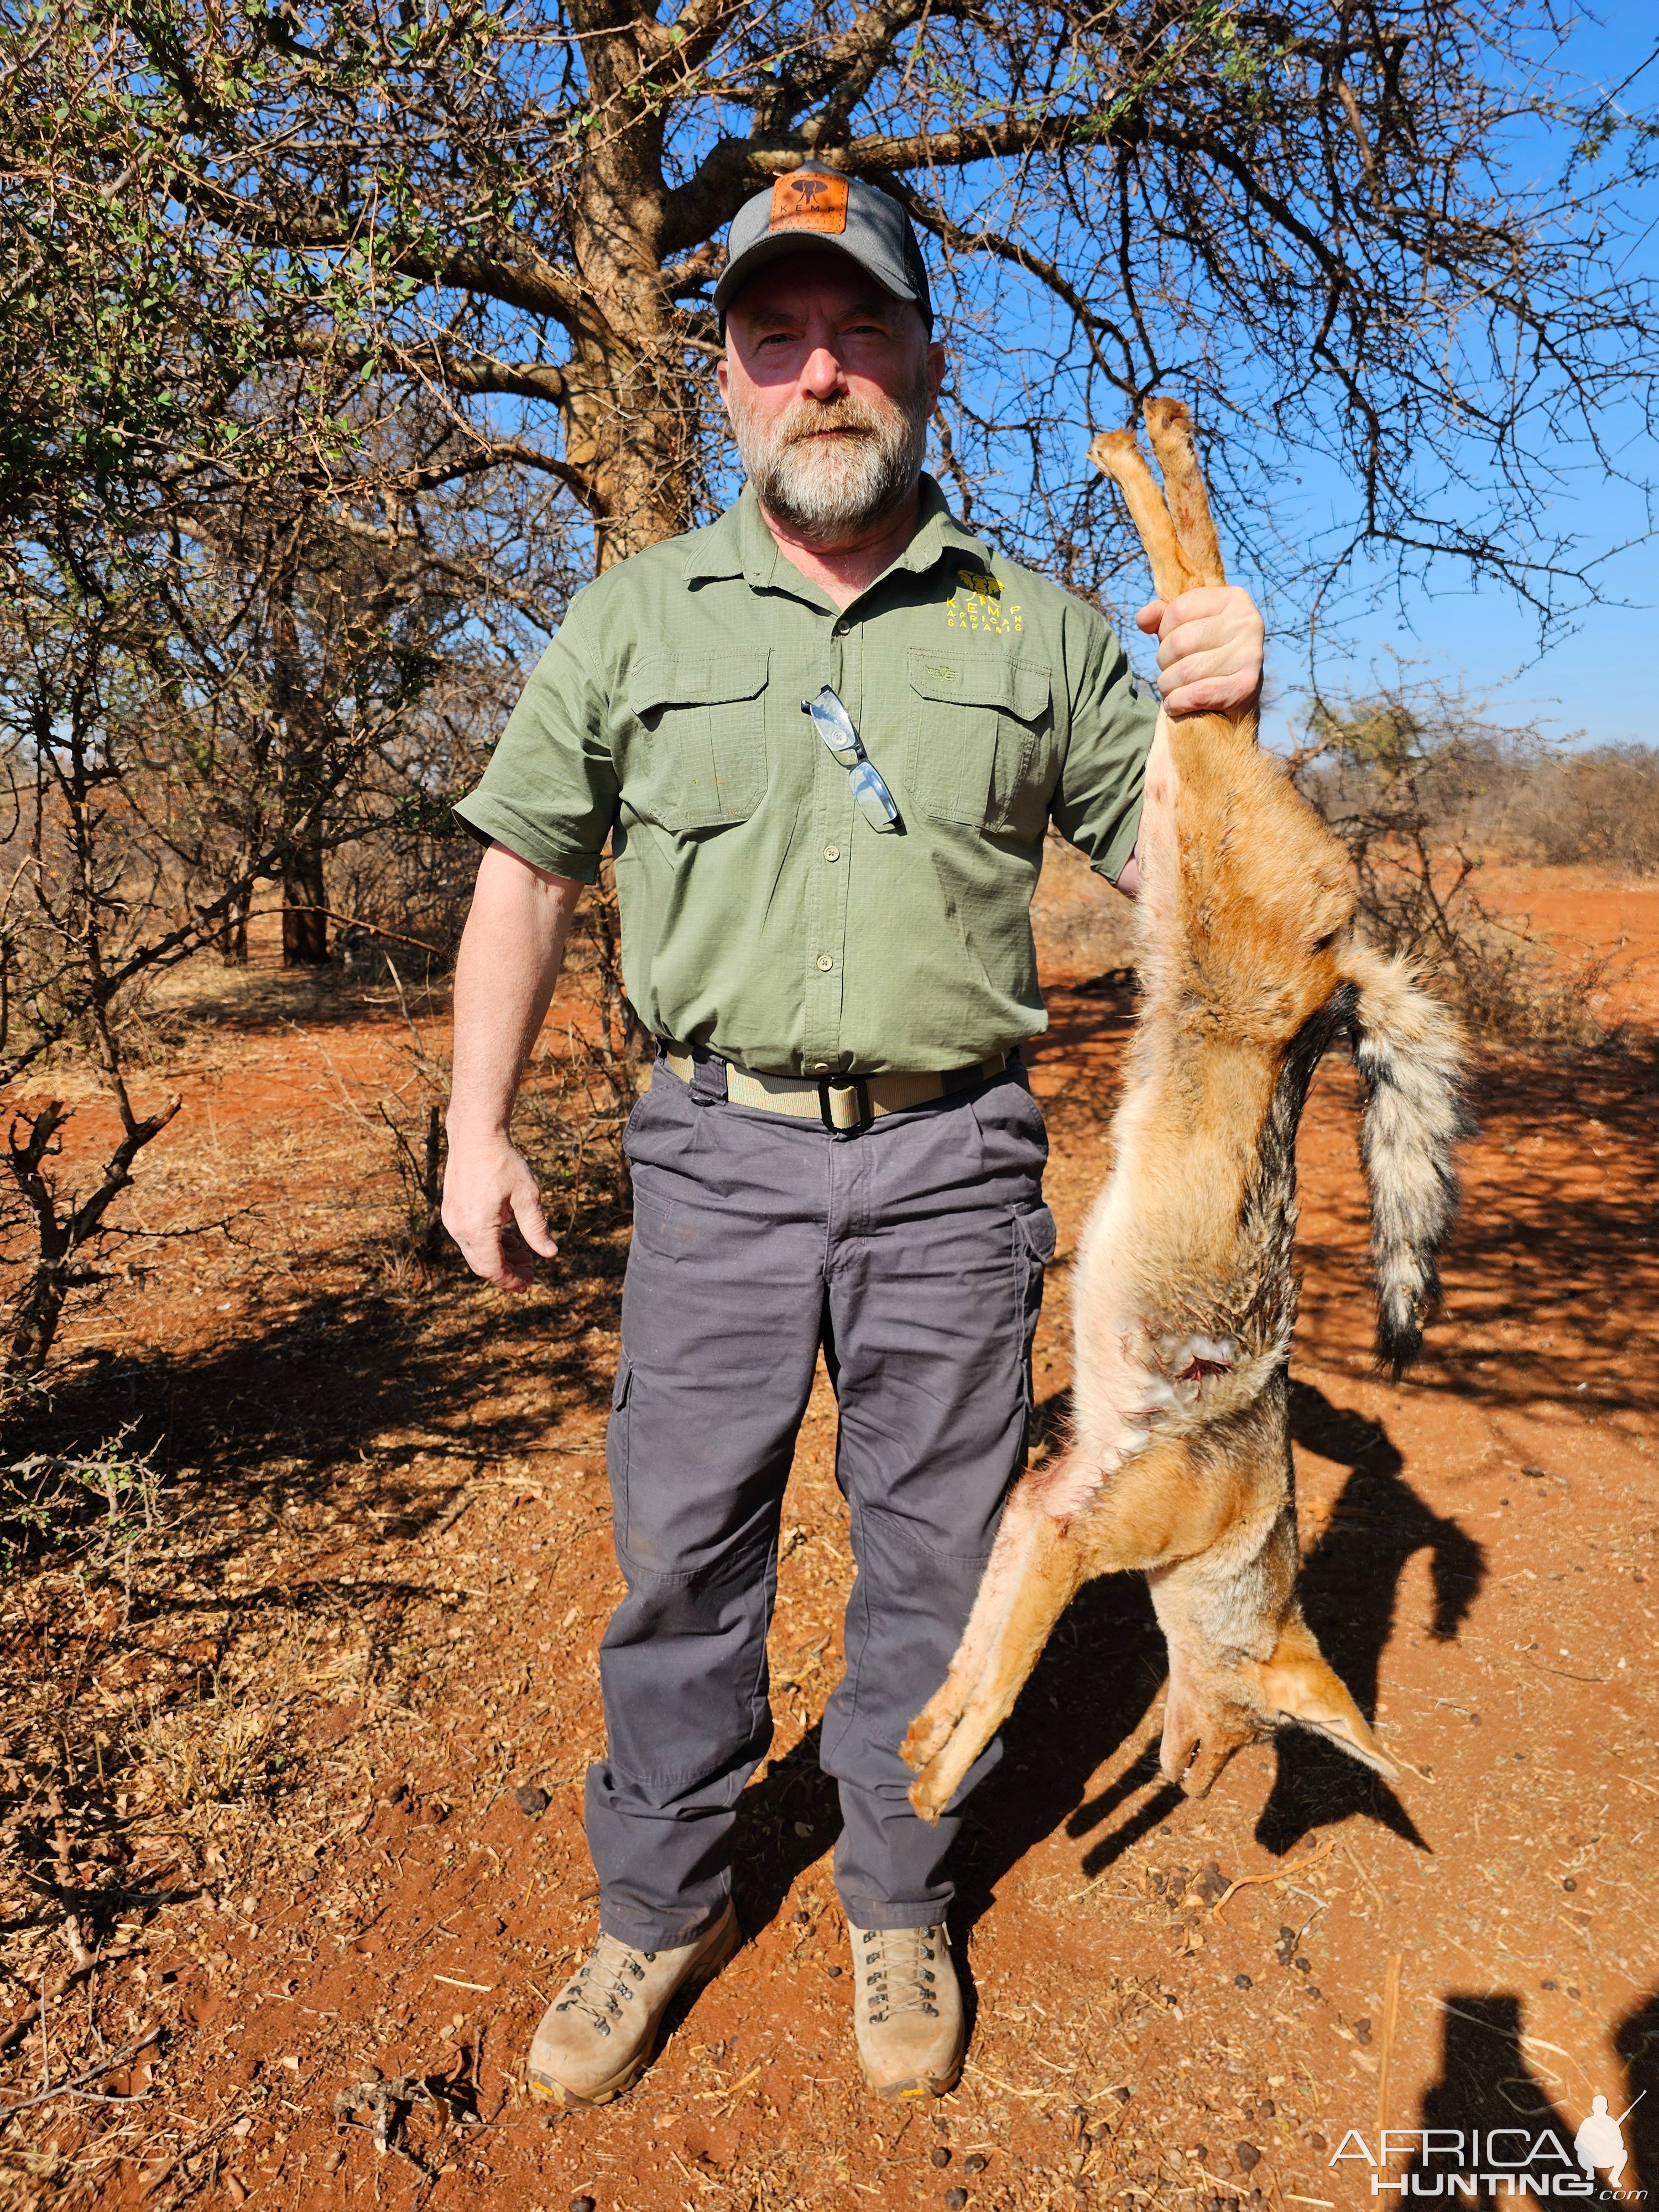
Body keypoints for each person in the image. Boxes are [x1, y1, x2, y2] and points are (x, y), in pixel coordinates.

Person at [441, 164, 1265, 2109]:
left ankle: (898, 1886)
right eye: (778, 338)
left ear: (926, 364)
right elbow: (523, 872)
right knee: (684, 1557)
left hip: (953, 1165)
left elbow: (1188, 882)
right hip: (716, 1159)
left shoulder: (1042, 631)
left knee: (931, 1560)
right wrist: (474, 1128)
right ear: (728, 382)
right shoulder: (634, 620)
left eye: (861, 328)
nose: (822, 373)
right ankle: (659, 1904)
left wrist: (1227, 715)